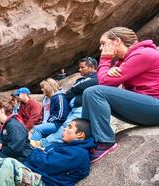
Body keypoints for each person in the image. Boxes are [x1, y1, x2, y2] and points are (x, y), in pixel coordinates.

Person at [82, 27, 159, 163]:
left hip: (155, 105)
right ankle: (85, 141)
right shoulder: (123, 61)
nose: (101, 48)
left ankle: (105, 142)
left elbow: (104, 84)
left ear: (117, 41)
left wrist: (105, 60)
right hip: (149, 108)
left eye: (103, 43)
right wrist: (110, 71)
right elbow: (107, 83)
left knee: (94, 92)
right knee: (89, 94)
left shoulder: (143, 54)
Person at [39, 57, 98, 147]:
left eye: (82, 67)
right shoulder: (82, 79)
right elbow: (72, 91)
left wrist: (74, 89)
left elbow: (77, 88)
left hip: (81, 108)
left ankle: (43, 144)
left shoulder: (95, 77)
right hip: (74, 109)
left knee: (67, 127)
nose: (79, 69)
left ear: (92, 67)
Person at [31, 78, 70, 143]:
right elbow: (44, 114)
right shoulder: (45, 99)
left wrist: (49, 121)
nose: (41, 89)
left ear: (48, 87)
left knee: (37, 129)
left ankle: (31, 149)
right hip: (46, 124)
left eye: (43, 87)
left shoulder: (59, 96)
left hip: (56, 123)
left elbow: (62, 115)